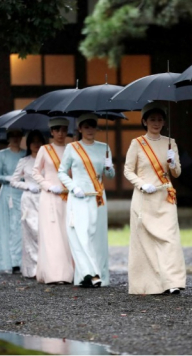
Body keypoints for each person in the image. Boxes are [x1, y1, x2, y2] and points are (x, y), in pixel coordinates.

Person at [123, 102, 187, 295]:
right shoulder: (137, 143)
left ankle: (172, 281)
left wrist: (173, 162)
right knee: (146, 242)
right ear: (144, 121)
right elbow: (127, 170)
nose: (156, 123)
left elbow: (177, 173)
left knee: (170, 239)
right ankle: (148, 284)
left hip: (165, 197)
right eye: (152, 119)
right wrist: (141, 184)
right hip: (145, 198)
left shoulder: (170, 142)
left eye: (160, 119)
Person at [58, 113, 115, 288]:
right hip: (79, 197)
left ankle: (99, 275)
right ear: (80, 128)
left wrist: (109, 166)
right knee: (80, 236)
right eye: (86, 126)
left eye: (93, 126)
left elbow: (110, 176)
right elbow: (61, 171)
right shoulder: (72, 147)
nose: (90, 130)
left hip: (97, 198)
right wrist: (73, 187)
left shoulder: (104, 147)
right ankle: (90, 274)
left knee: (97, 237)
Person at [32, 117, 75, 284]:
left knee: (66, 234)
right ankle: (55, 274)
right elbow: (36, 172)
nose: (60, 134)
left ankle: (70, 272)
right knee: (52, 235)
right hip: (49, 196)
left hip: (67, 195)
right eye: (57, 130)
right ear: (51, 132)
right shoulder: (45, 149)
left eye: (64, 130)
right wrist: (48, 186)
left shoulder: (71, 148)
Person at [10, 130, 47, 278]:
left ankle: (44, 268)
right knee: (31, 231)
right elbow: (14, 181)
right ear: (29, 144)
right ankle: (31, 269)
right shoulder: (24, 161)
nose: (36, 145)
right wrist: (27, 186)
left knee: (43, 232)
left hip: (44, 198)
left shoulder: (47, 160)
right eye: (33, 142)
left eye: (39, 141)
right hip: (29, 200)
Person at [0, 129, 26, 273]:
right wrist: (9, 178)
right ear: (8, 138)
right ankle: (7, 261)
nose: (15, 139)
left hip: (22, 192)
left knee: (20, 226)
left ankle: (20, 261)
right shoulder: (2, 154)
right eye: (12, 136)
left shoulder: (25, 154)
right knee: (7, 226)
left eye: (18, 135)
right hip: (7, 194)